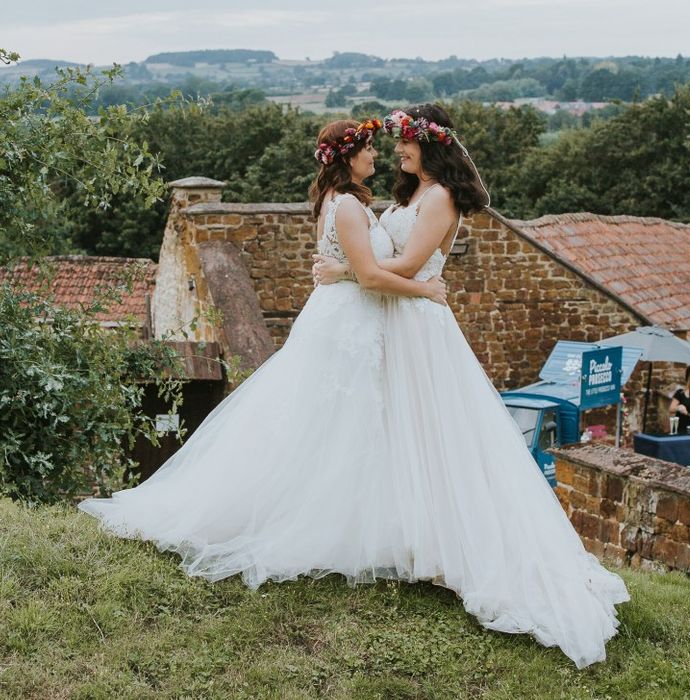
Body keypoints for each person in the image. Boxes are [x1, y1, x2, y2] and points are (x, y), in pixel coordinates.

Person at [313, 104, 629, 669]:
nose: (398, 153)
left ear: (429, 146)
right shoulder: (412, 194)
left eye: (406, 144)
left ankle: (465, 549)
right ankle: (418, 539)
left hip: (419, 325)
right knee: (403, 431)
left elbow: (406, 266)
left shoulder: (439, 199)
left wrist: (347, 272)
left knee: (442, 435)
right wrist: (352, 268)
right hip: (397, 321)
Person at [79, 118, 447, 588]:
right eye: (369, 149)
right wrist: (422, 288)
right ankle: (314, 524)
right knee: (332, 421)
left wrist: (343, 272)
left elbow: (356, 269)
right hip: (346, 322)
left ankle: (352, 520)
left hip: (351, 316)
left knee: (342, 422)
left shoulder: (344, 202)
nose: (377, 156)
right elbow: (371, 275)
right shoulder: (348, 209)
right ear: (347, 157)